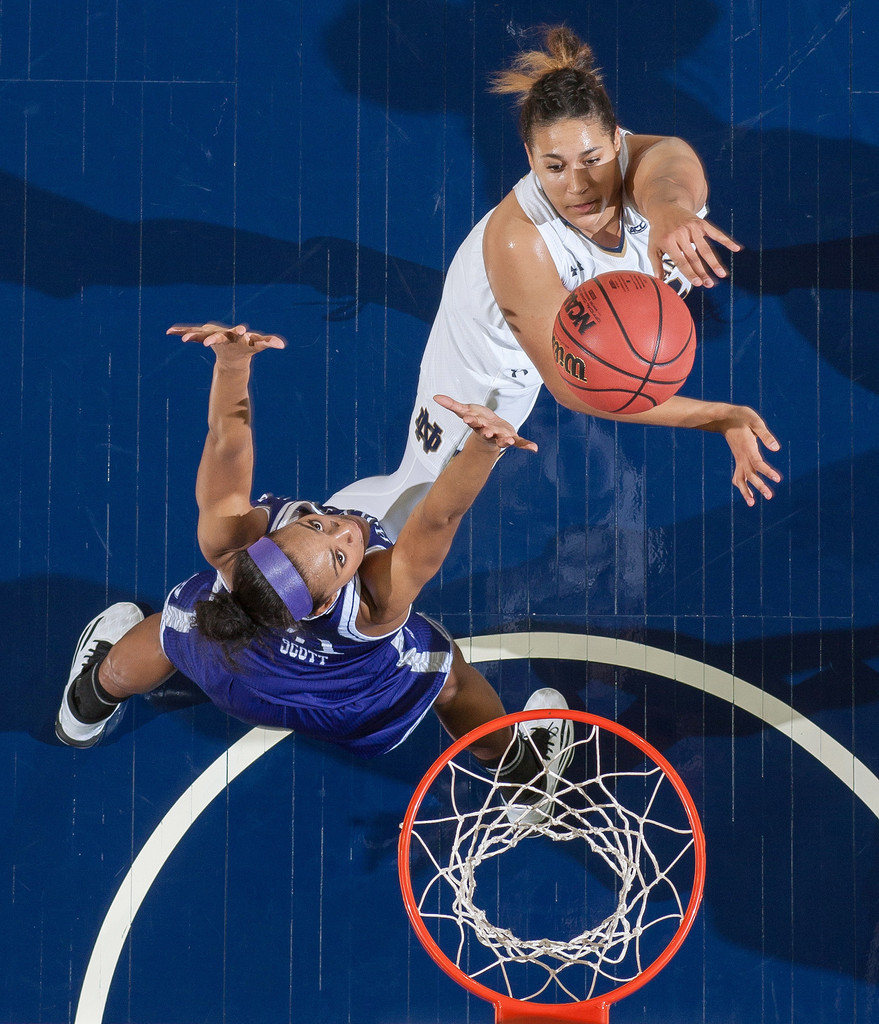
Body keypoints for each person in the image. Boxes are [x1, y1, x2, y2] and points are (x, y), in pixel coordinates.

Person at [55, 323, 570, 822]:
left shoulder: (229, 545)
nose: (345, 529)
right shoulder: (373, 605)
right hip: (343, 702)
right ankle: (525, 779)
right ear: (328, 603)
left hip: (236, 675)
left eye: (317, 523)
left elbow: (226, 443)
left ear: (264, 539)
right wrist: (482, 447)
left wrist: (232, 366)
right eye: (342, 556)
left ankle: (87, 703)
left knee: (177, 628)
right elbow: (438, 518)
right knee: (451, 678)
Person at [327, 25, 782, 537]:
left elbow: (666, 183)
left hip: (573, 313)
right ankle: (302, 546)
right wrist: (718, 415)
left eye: (593, 160)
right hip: (494, 350)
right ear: (529, 158)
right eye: (555, 166)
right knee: (425, 488)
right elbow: (572, 385)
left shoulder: (665, 160)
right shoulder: (518, 240)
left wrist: (668, 212)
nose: (578, 185)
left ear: (618, 140)